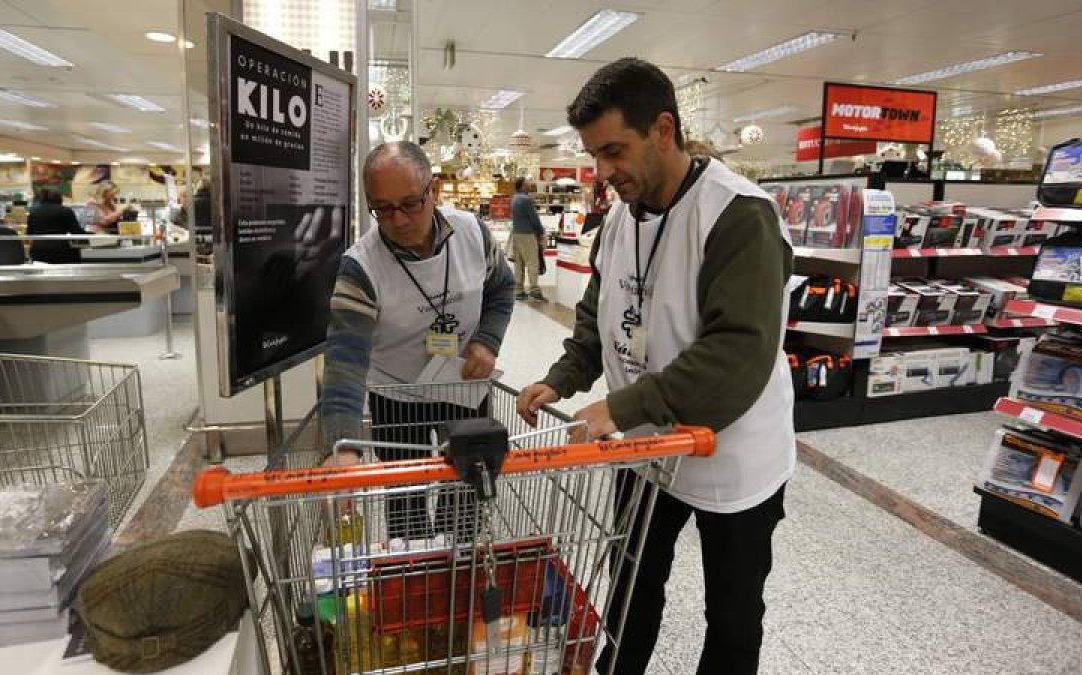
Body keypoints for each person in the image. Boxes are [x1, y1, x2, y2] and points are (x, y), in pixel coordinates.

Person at [515, 58, 794, 675]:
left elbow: (737, 355)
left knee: (731, 613)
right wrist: (562, 378)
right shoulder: (619, 219)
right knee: (631, 588)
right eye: (594, 155)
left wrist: (619, 408)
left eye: (615, 150)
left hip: (729, 453)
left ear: (663, 129)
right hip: (643, 450)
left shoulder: (737, 216)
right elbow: (598, 314)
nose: (604, 172)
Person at [320, 141, 516, 540]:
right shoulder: (360, 268)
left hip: (462, 383)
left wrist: (487, 341)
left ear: (435, 190)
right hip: (397, 396)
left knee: (465, 495)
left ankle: (461, 570)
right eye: (383, 209)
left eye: (410, 203)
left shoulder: (473, 234)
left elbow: (502, 289)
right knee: (405, 501)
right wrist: (342, 446)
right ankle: (415, 582)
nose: (399, 220)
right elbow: (345, 363)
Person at [27, 187, 88, 264]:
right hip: (62, 251)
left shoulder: (34, 212)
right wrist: (91, 234)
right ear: (59, 198)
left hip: (39, 251)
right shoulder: (65, 211)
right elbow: (76, 232)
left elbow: (29, 233)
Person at [509, 177, 545, 301]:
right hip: (527, 234)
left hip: (516, 233)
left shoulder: (514, 198)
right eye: (528, 183)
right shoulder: (526, 200)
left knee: (519, 262)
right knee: (532, 261)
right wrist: (540, 231)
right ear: (523, 186)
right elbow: (534, 218)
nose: (530, 185)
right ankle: (534, 290)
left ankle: (518, 290)